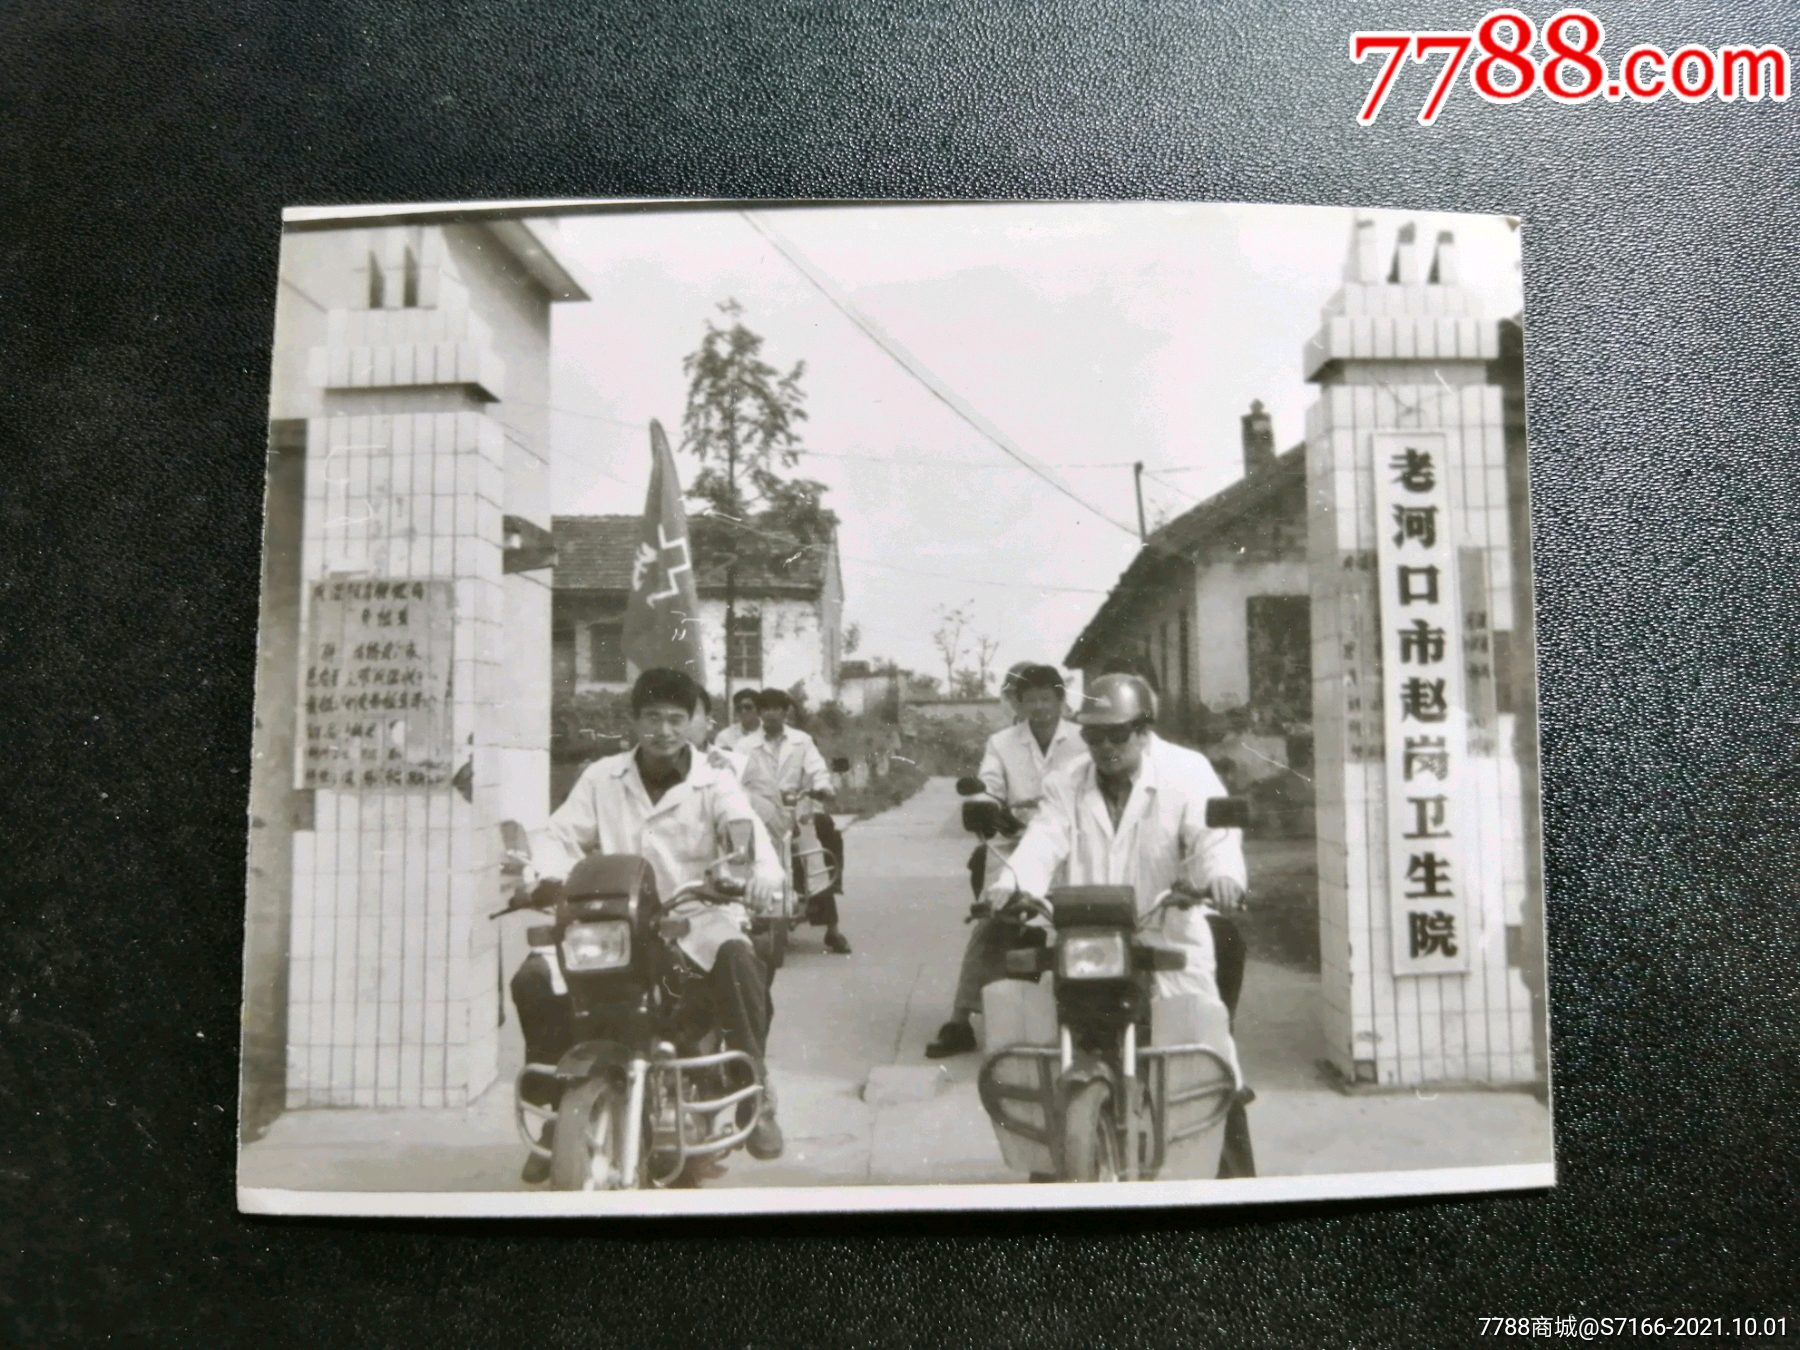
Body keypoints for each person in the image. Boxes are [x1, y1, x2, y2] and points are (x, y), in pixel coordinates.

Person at [510, 668, 787, 1182]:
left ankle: (756, 1094)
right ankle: (554, 1108)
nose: (664, 730)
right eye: (653, 718)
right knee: (533, 978)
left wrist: (757, 874)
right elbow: (558, 836)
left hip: (694, 914)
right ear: (635, 721)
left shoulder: (715, 780)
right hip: (611, 921)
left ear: (695, 724)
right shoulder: (601, 776)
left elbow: (748, 838)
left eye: (676, 719)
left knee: (739, 960)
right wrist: (544, 875)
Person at [983, 670, 1247, 1058]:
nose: (1105, 746)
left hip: (1165, 932)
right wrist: (1014, 881)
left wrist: (1222, 875)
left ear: (1143, 732)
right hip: (1088, 939)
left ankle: (1227, 1112)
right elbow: (1043, 836)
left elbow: (1211, 836)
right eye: (1093, 736)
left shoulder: (1186, 772)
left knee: (1202, 1056)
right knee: (1055, 1044)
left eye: (1117, 734)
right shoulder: (1065, 782)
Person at [926, 663, 1086, 1058]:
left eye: (1047, 699)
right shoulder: (1002, 742)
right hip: (1014, 839)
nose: (1040, 709)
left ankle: (1085, 1016)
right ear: (1019, 702)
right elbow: (989, 785)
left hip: (1072, 842)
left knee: (1084, 919)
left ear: (1061, 700)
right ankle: (960, 1019)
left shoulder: (1084, 740)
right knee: (992, 917)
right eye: (1031, 700)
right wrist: (986, 807)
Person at [737, 687, 852, 955]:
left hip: (795, 808)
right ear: (759, 712)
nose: (771, 713)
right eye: (765, 708)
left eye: (777, 707)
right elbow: (737, 775)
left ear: (785, 711)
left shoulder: (801, 741)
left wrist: (822, 786)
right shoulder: (745, 746)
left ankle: (832, 930)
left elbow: (816, 768)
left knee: (815, 858)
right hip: (761, 812)